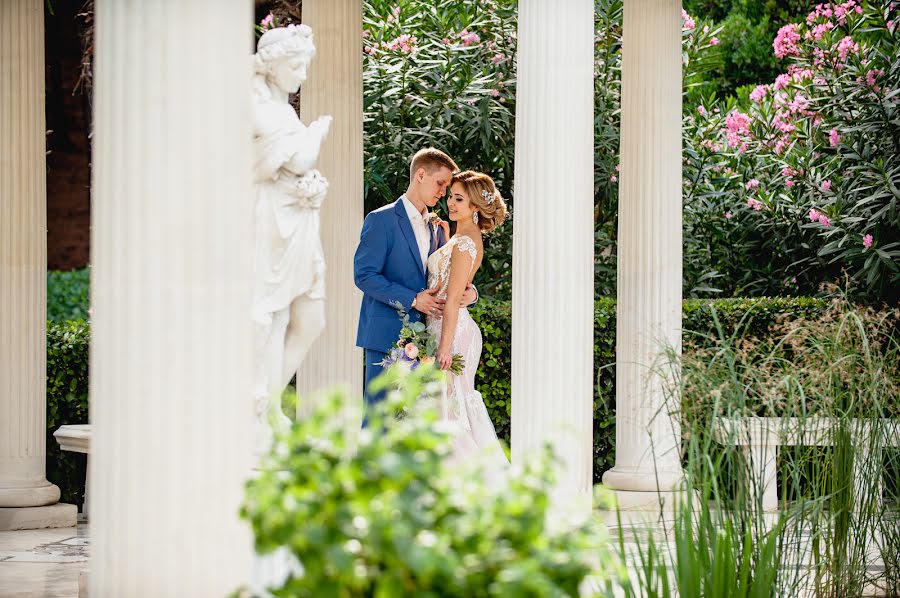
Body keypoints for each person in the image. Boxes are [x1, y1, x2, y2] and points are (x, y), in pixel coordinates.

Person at [251, 24, 331, 453]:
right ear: (273, 65)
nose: (302, 74)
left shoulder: (282, 109)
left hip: (297, 225)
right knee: (273, 318)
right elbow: (300, 158)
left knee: (310, 320)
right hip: (269, 225)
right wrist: (316, 133)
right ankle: (262, 410)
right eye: (295, 65)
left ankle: (267, 403)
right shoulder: (257, 105)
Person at [353, 148, 476, 425]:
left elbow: (447, 276)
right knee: (379, 421)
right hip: (387, 338)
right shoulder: (380, 220)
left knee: (414, 427)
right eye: (441, 184)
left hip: (426, 342)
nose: (443, 193)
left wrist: (471, 294)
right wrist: (412, 299)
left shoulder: (436, 228)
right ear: (421, 174)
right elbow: (364, 275)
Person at [427, 170, 508, 466]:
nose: (450, 202)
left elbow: (451, 301)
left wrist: (445, 347)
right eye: (450, 196)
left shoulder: (465, 243)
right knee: (447, 408)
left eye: (459, 199)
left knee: (452, 412)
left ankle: (474, 483)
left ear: (475, 206)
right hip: (444, 327)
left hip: (454, 333)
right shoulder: (459, 238)